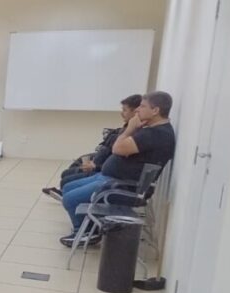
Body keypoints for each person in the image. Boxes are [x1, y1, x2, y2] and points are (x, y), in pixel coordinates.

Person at [58, 91, 176, 247]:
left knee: (70, 198)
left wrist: (130, 129)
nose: (138, 110)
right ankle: (87, 227)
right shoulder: (153, 130)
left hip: (119, 185)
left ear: (155, 110)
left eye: (142, 106)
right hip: (111, 178)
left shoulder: (156, 134)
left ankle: (86, 233)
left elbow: (117, 148)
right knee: (68, 187)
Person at [43, 94, 142, 200]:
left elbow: (117, 156)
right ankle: (66, 192)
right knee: (77, 164)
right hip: (102, 166)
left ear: (135, 112)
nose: (121, 113)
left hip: (106, 174)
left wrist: (96, 166)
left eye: (125, 110)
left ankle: (68, 195)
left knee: (66, 179)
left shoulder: (135, 135)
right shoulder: (126, 128)